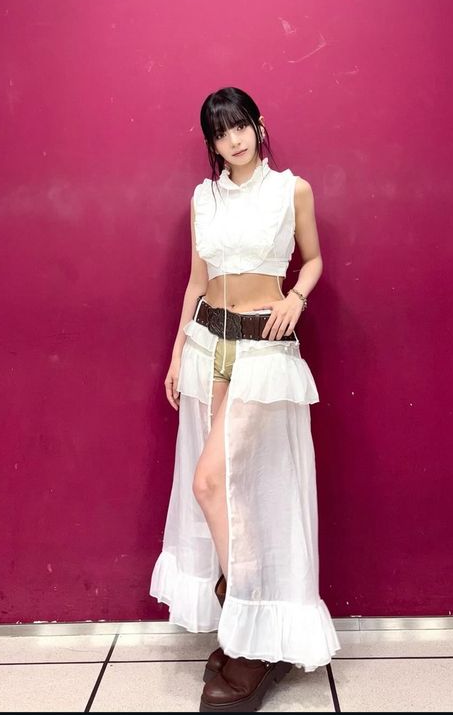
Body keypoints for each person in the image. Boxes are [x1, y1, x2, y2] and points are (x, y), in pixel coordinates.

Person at [150, 87, 340, 711]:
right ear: (211, 142)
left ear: (259, 125)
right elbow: (196, 281)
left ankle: (250, 615)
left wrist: (297, 298)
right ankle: (249, 623)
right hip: (208, 346)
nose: (233, 140)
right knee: (230, 492)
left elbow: (313, 260)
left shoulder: (292, 190)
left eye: (241, 126)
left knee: (217, 484)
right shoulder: (203, 198)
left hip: (262, 350)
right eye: (220, 132)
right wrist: (176, 352)